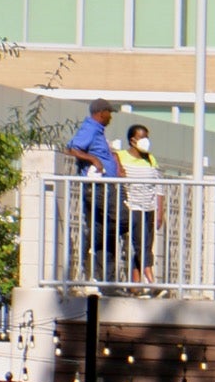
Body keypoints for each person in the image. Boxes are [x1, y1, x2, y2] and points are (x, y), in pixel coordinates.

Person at [67, 98, 121, 285]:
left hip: (104, 185)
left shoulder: (97, 130)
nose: (110, 117)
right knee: (119, 220)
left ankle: (100, 272)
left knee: (102, 226)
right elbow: (73, 148)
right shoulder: (90, 128)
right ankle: (88, 248)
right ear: (101, 113)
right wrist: (93, 160)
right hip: (98, 186)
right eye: (109, 113)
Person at [117, 124, 164, 295]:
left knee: (146, 244)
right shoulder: (121, 156)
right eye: (142, 137)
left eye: (147, 137)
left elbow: (159, 187)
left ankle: (135, 285)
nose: (146, 141)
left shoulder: (151, 159)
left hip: (149, 207)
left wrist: (160, 211)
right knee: (140, 244)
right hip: (133, 206)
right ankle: (152, 282)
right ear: (132, 140)